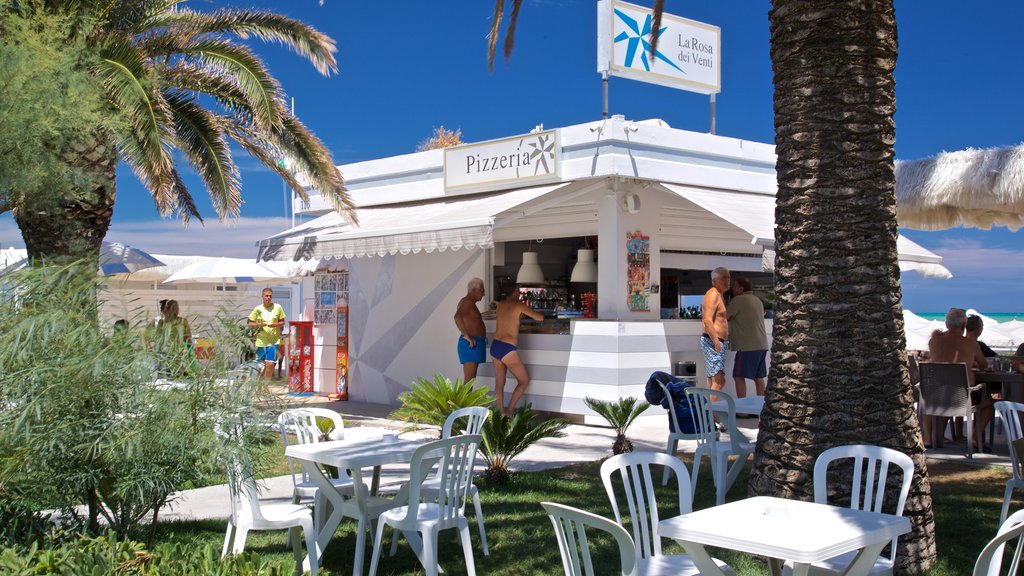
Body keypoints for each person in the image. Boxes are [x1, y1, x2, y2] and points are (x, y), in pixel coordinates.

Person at [926, 307, 993, 452]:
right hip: (963, 397)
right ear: (964, 325)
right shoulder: (970, 344)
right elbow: (984, 365)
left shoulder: (933, 342)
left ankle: (928, 438)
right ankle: (975, 438)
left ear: (946, 324)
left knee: (934, 395)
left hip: (936, 395)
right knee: (989, 402)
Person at [490, 286, 543, 416]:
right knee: (524, 381)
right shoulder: (519, 305)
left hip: (495, 345)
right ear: (514, 292)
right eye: (519, 292)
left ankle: (501, 412)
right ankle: (510, 410)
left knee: (499, 383)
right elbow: (540, 318)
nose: (520, 294)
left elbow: (508, 318)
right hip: (507, 348)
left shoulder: (500, 305)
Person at [727, 276, 768, 399]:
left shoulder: (738, 300)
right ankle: (761, 408)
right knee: (758, 377)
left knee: (738, 376)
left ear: (741, 288)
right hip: (761, 344)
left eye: (734, 286)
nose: (732, 288)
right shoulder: (757, 300)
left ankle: (742, 411)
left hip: (747, 346)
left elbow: (725, 316)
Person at [701, 267, 730, 392]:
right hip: (713, 341)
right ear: (714, 281)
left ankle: (710, 411)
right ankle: (710, 411)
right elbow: (707, 320)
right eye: (723, 277)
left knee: (713, 381)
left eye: (729, 277)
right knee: (719, 381)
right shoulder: (712, 294)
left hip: (717, 341)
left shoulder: (719, 295)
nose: (727, 280)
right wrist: (716, 342)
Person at [248, 288, 286, 380]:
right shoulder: (258, 309)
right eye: (266, 296)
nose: (268, 298)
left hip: (274, 341)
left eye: (270, 296)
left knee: (270, 363)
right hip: (261, 341)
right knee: (261, 364)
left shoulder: (278, 307)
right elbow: (250, 323)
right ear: (262, 296)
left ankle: (266, 384)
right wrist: (261, 324)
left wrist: (274, 324)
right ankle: (260, 383)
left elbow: (282, 322)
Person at [454, 278, 487, 384]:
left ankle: (465, 401)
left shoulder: (469, 303)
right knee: (469, 382)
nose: (484, 294)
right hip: (471, 344)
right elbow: (457, 317)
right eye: (482, 290)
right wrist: (467, 336)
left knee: (471, 381)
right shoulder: (467, 302)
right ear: (473, 290)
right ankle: (462, 401)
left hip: (475, 343)